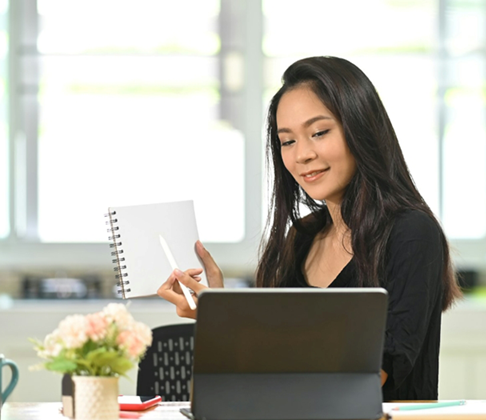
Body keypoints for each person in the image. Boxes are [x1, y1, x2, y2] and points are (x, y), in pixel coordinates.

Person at [157, 56, 462, 400]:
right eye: (287, 141)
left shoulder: (411, 233)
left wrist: (240, 326)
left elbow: (366, 378)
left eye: (319, 133)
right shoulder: (301, 238)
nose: (301, 155)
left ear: (362, 129)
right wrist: (220, 315)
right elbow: (267, 373)